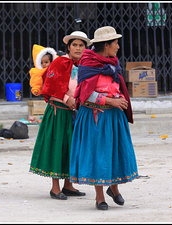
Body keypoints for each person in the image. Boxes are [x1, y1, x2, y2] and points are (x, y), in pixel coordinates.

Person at [69, 26, 139, 210]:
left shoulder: (112, 64)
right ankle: (100, 197)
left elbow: (116, 85)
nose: (118, 46)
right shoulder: (88, 65)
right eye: (115, 43)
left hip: (114, 117)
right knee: (98, 154)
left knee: (115, 151)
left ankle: (114, 188)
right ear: (106, 45)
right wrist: (109, 100)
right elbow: (85, 94)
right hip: (96, 116)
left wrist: (120, 98)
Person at [29, 31, 92, 200]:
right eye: (75, 45)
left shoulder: (86, 65)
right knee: (57, 148)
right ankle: (55, 188)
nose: (78, 48)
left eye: (81, 45)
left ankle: (68, 185)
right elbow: (49, 87)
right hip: (58, 111)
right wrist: (66, 98)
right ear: (68, 47)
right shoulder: (59, 63)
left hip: (75, 112)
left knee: (71, 148)